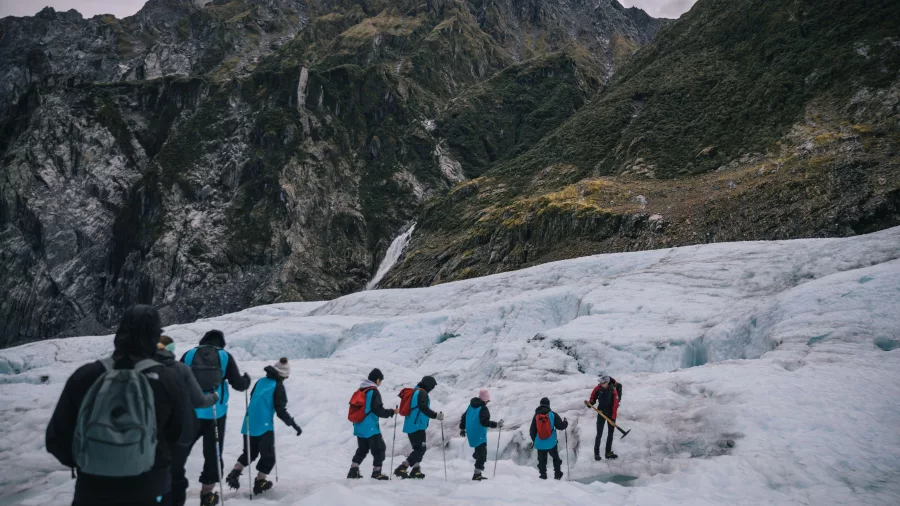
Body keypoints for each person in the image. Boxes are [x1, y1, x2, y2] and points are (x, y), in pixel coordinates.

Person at [46, 305, 184, 505]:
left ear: (120, 333)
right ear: (155, 338)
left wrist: (92, 461)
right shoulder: (167, 380)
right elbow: (180, 434)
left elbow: (56, 438)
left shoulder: (86, 375)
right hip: (149, 489)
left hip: (92, 490)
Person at [179, 330, 251, 506]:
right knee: (213, 453)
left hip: (191, 412)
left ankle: (172, 486)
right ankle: (207, 494)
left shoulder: (189, 354)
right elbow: (238, 384)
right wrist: (247, 380)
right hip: (215, 413)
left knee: (180, 450)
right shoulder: (224, 356)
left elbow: (177, 380)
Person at [155, 336, 219, 505]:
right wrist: (214, 397)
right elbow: (199, 401)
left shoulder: (140, 368)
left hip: (149, 434)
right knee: (175, 476)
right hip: (178, 431)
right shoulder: (181, 369)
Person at [225, 358, 302, 495]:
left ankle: (235, 472)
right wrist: (293, 424)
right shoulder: (277, 386)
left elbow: (253, 396)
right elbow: (280, 410)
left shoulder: (260, 381)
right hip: (264, 426)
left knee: (250, 452)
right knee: (268, 457)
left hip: (249, 423)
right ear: (282, 375)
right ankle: (260, 482)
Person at [347, 368, 396, 480]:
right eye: (381, 381)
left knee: (362, 449)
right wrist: (391, 412)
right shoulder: (373, 391)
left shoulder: (361, 390)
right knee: (379, 449)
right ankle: (376, 473)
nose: (380, 383)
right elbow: (378, 410)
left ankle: (353, 471)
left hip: (359, 425)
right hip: (370, 427)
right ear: (377, 380)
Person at [394, 375, 442, 479]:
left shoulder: (415, 391)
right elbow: (423, 408)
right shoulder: (422, 393)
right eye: (432, 386)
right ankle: (403, 466)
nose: (432, 388)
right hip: (417, 426)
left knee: (417, 448)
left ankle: (415, 470)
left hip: (411, 425)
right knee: (421, 449)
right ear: (429, 385)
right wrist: (436, 415)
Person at [459, 389, 503, 481]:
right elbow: (484, 422)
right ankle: (477, 474)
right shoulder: (483, 408)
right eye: (488, 400)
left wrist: (462, 428)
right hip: (479, 434)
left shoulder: (471, 406)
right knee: (482, 455)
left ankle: (476, 457)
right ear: (485, 400)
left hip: (472, 433)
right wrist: (497, 424)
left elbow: (464, 417)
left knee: (480, 451)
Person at [529, 397, 569, 480]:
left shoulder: (536, 416)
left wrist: (535, 441)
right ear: (549, 404)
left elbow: (532, 430)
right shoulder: (552, 414)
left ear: (540, 404)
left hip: (540, 442)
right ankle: (557, 475)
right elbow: (560, 426)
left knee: (542, 460)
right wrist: (565, 423)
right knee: (555, 458)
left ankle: (543, 476)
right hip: (551, 442)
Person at [588, 374, 619, 460]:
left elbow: (615, 405)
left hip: (610, 413)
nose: (601, 384)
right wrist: (591, 402)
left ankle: (608, 453)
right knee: (599, 433)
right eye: (600, 383)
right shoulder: (598, 388)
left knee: (610, 434)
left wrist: (613, 417)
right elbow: (593, 395)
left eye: (602, 383)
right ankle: (596, 454)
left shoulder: (613, 391)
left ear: (607, 383)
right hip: (601, 411)